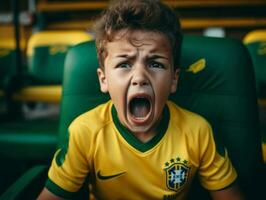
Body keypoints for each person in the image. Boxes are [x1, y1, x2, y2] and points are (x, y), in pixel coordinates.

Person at [38, 0, 244, 199]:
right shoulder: (85, 133)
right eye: (124, 64)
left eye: (155, 64)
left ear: (173, 79)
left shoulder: (198, 132)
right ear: (104, 80)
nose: (139, 77)